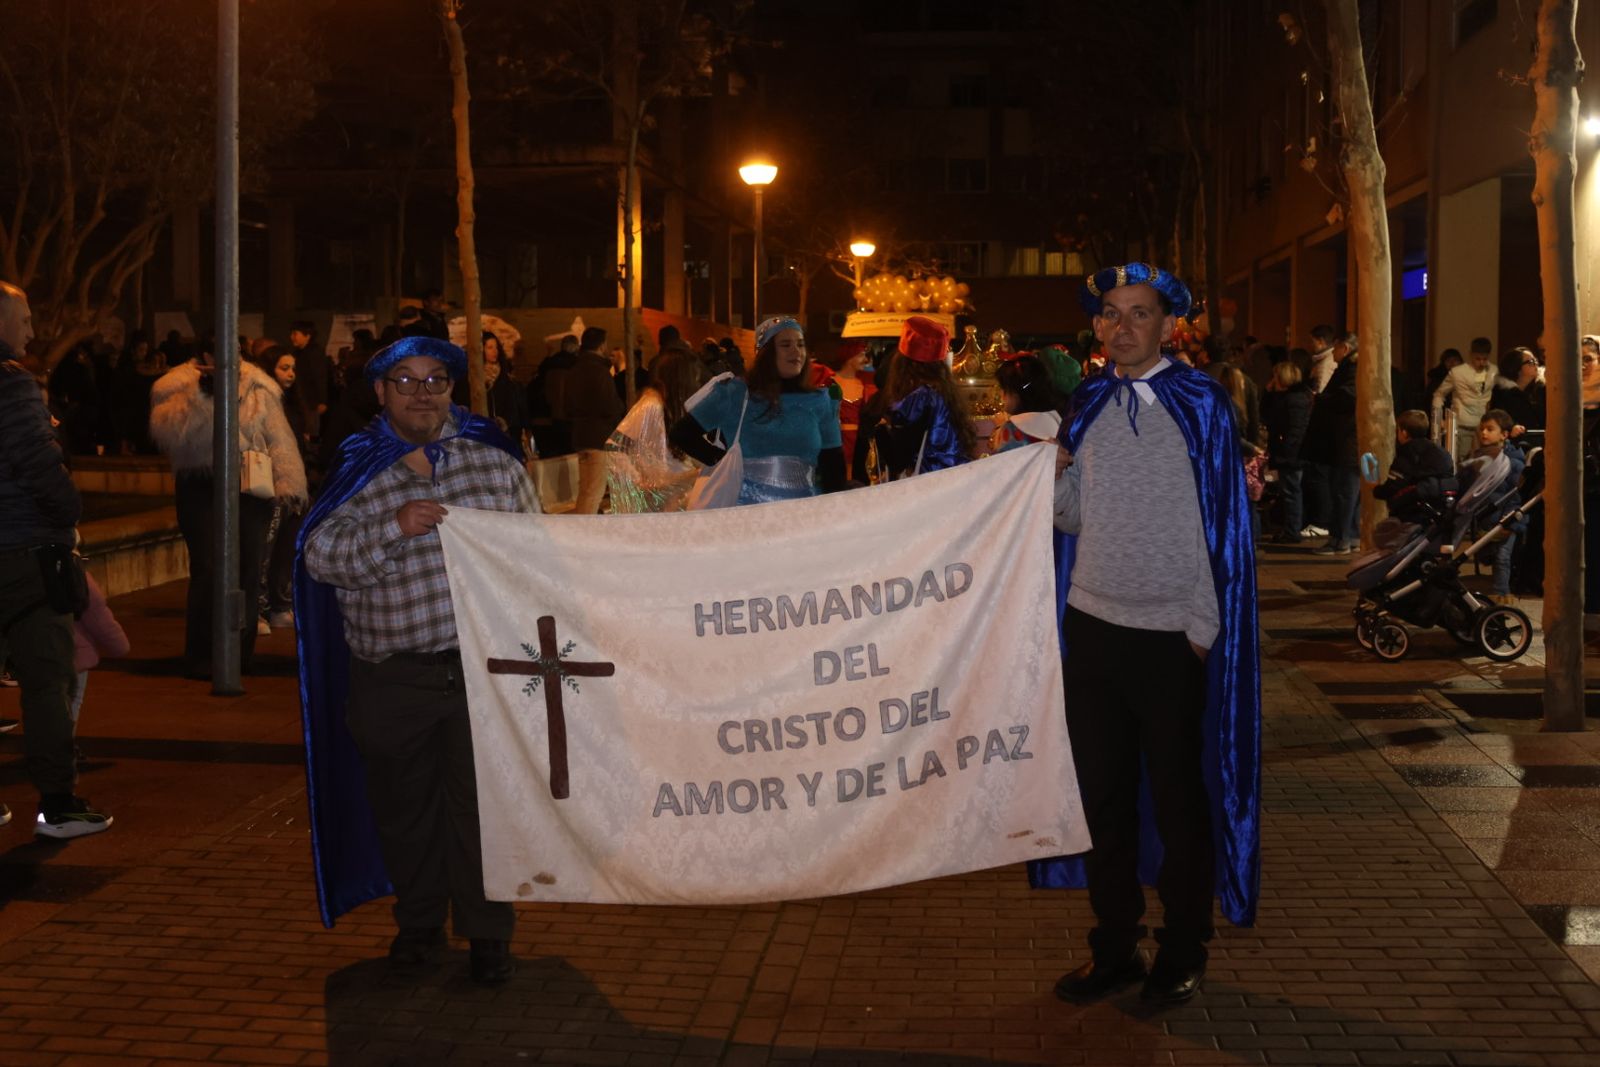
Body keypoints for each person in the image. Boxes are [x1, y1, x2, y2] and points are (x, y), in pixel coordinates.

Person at [1033, 263, 1259, 1008]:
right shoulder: (1089, 400)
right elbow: (1074, 516)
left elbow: (1223, 523)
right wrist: (1043, 476)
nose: (1122, 325)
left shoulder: (1201, 403)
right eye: (1110, 313)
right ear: (1096, 326)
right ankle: (1115, 946)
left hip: (1170, 637)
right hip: (1092, 626)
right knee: (1102, 799)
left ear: (1168, 326)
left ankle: (1184, 948)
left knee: (1177, 801)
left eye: (1139, 312)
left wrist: (1200, 627)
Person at [298, 334, 537, 985]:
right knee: (406, 812)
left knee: (484, 812)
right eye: (405, 380)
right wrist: (393, 526)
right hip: (392, 675)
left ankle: (490, 933)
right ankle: (421, 924)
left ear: (453, 387)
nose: (422, 392)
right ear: (380, 391)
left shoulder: (494, 462)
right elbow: (320, 558)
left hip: (481, 674)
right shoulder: (358, 466)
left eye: (435, 379)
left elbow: (537, 554)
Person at [0, 281, 113, 837]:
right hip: (25, 554)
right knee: (48, 680)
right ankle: (57, 805)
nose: (31, 329)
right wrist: (68, 508)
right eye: (21, 317)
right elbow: (35, 462)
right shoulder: (13, 385)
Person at [149, 344, 307, 678]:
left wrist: (289, 481)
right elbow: (173, 436)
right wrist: (205, 398)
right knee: (208, 567)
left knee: (248, 567)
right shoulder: (175, 385)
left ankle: (240, 652)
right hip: (201, 484)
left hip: (251, 484)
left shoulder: (257, 384)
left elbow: (278, 437)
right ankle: (202, 653)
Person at [668, 316, 846, 503]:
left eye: (801, 345)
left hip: (802, 515)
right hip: (746, 517)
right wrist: (719, 459)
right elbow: (682, 433)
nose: (797, 352)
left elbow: (833, 467)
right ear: (768, 354)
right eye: (786, 345)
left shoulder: (820, 401)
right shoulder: (737, 393)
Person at [870, 316, 975, 480]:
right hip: (952, 480)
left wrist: (881, 430)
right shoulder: (944, 392)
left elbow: (899, 459)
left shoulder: (920, 399)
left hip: (927, 485)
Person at [253, 346, 312, 632]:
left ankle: (280, 604)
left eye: (292, 368)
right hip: (270, 485)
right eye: (283, 368)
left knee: (287, 549)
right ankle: (260, 609)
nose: (290, 374)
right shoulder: (262, 401)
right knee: (265, 550)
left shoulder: (293, 402)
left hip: (295, 485)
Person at [604, 345, 704, 513]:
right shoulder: (651, 405)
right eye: (693, 375)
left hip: (675, 493)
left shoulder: (671, 407)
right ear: (681, 377)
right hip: (662, 496)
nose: (696, 381)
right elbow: (614, 446)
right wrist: (639, 483)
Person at [545, 326, 624, 514]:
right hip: (598, 438)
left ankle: (582, 531)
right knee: (594, 492)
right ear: (602, 345)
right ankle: (584, 535)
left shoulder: (574, 370)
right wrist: (619, 407)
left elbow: (567, 406)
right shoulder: (600, 372)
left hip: (580, 436)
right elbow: (610, 406)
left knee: (586, 491)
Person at [1460, 408, 1526, 604]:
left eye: (1490, 429)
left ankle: (1501, 595)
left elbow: (1515, 496)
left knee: (1502, 557)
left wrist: (1508, 520)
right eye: (1482, 429)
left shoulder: (1513, 463)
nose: (1484, 433)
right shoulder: (1478, 458)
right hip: (1486, 518)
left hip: (1507, 519)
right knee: (1490, 556)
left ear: (1504, 435)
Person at [1304, 332, 1360, 554]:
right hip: (1344, 440)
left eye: (1335, 348)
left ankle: (1341, 538)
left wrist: (1321, 399)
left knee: (1344, 491)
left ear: (1344, 348)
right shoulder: (1348, 369)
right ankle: (1350, 535)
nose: (1332, 353)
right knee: (1348, 491)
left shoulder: (1352, 370)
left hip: (1346, 440)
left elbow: (1347, 397)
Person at [1372, 409, 1456, 525]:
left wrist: (1375, 489)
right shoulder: (1440, 451)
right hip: (1442, 506)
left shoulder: (1407, 454)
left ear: (1404, 433)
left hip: (1415, 512)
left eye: (1398, 430)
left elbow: (1392, 487)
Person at [1260, 361, 1312, 542]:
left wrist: (1286, 451)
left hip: (1291, 454)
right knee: (1290, 491)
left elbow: (1295, 429)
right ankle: (1291, 529)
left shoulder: (1294, 400)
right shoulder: (1290, 397)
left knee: (1291, 492)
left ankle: (1292, 531)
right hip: (1289, 452)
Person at [1434, 336, 1496, 463]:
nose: (1481, 363)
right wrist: (1439, 419)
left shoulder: (1493, 371)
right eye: (1478, 359)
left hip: (1484, 424)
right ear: (1471, 355)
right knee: (1464, 460)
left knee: (1485, 461)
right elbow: (1439, 394)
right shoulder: (1457, 373)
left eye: (1485, 359)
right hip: (1463, 424)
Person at [290, 320, 333, 439]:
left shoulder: (314, 353)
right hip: (302, 400)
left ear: (307, 335)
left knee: (311, 432)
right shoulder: (298, 353)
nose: (292, 337)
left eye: (295, 334)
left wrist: (322, 400)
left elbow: (320, 377)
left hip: (311, 401)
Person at [1492, 347, 1546, 434]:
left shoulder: (1541, 389)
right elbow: (1498, 420)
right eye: (1531, 362)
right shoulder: (1502, 393)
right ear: (1516, 367)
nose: (1536, 364)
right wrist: (1512, 427)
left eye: (1536, 361)